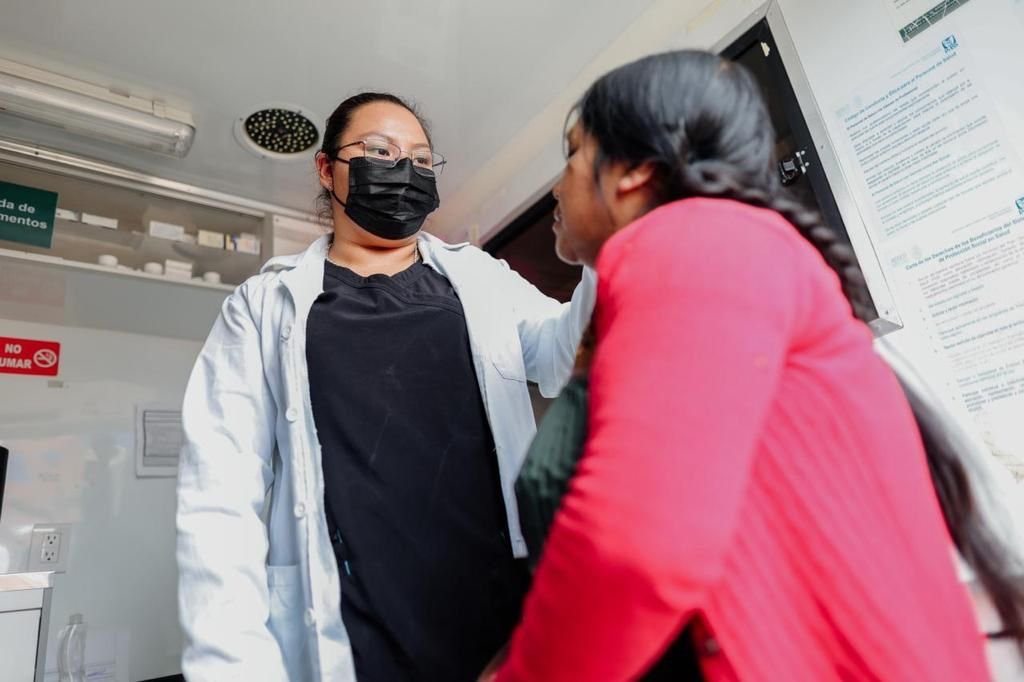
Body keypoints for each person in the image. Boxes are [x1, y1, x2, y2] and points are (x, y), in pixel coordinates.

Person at [491, 50, 1024, 681]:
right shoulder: (701, 268)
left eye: (574, 154)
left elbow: (636, 542)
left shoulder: (696, 241)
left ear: (634, 170)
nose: (558, 185)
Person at [176, 92, 595, 682]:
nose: (404, 169)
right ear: (327, 169)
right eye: (379, 151)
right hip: (352, 629)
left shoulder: (478, 278)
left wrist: (608, 239)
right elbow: (219, 491)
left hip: (495, 617)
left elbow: (562, 353)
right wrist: (229, 665)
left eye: (421, 160)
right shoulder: (265, 304)